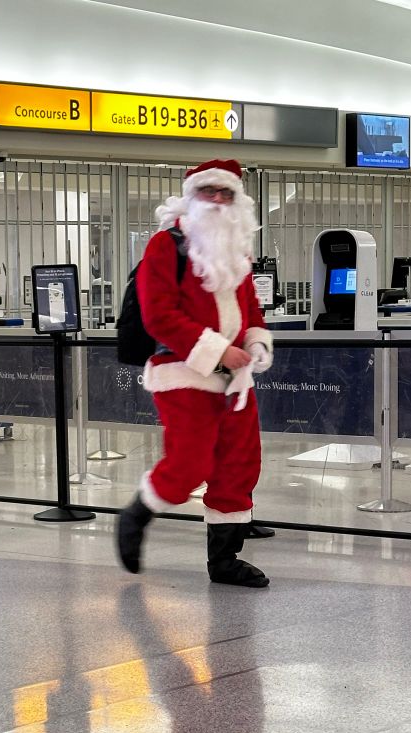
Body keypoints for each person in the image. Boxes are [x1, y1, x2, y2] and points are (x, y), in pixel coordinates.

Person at [116, 159, 273, 587]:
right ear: (191, 197)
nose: (218, 201)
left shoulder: (237, 251)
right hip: (183, 372)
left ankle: (224, 560)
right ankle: (136, 515)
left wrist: (255, 342)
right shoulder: (165, 246)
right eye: (209, 192)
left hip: (234, 379)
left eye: (227, 193)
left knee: (239, 464)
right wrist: (219, 351)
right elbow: (159, 315)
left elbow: (250, 308)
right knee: (190, 462)